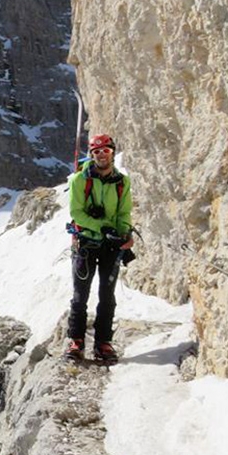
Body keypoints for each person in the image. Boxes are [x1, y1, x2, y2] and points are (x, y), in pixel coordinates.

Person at [65, 133, 134, 363]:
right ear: (91, 155)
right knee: (80, 294)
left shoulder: (122, 182)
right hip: (85, 242)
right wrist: (103, 227)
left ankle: (103, 343)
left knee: (107, 294)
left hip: (110, 246)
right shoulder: (79, 180)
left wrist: (123, 232)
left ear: (113, 151)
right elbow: (76, 213)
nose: (101, 155)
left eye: (105, 150)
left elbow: (124, 212)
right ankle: (76, 341)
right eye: (96, 152)